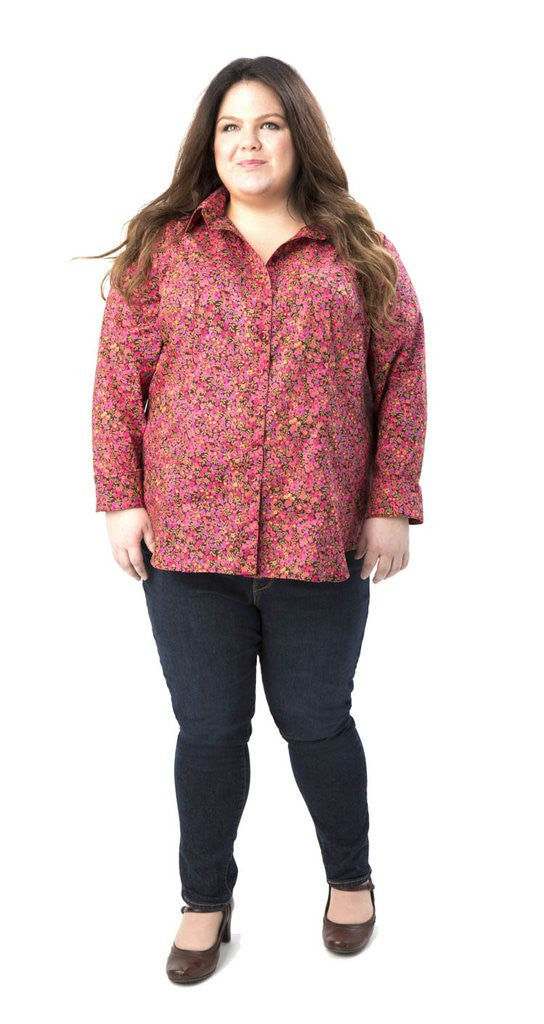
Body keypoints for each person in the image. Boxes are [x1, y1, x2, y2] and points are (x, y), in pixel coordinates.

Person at [90, 56, 427, 984]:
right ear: (210, 143)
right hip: (188, 540)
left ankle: (350, 879)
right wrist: (122, 497)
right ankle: (205, 898)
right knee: (207, 730)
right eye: (231, 126)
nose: (249, 142)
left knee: (317, 722)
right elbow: (119, 382)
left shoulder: (359, 251)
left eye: (270, 124)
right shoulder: (166, 251)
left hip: (322, 539)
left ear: (298, 136)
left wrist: (391, 502)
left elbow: (402, 376)